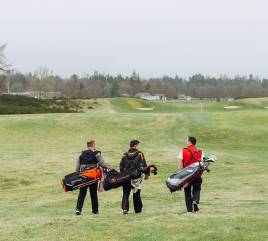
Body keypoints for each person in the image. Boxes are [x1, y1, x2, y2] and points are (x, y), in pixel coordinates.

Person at [75, 140, 109, 215]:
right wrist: (107, 168)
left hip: (83, 176)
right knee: (93, 193)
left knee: (82, 193)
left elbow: (77, 167)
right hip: (93, 176)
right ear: (93, 145)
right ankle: (95, 210)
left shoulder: (81, 153)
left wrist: (78, 174)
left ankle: (78, 209)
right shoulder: (96, 153)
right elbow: (102, 163)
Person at [120, 140, 148, 214]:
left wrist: (121, 176)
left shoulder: (124, 155)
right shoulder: (139, 154)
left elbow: (121, 167)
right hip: (136, 177)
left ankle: (125, 208)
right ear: (135, 145)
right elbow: (143, 164)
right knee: (136, 193)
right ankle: (138, 210)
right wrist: (147, 174)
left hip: (126, 176)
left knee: (126, 192)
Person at [177, 136, 204, 212]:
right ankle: (195, 201)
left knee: (187, 192)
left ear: (189, 142)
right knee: (197, 189)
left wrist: (179, 176)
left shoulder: (183, 151)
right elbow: (203, 164)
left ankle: (189, 209)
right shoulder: (200, 151)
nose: (186, 142)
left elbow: (179, 166)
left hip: (187, 175)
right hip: (197, 174)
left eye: (186, 141)